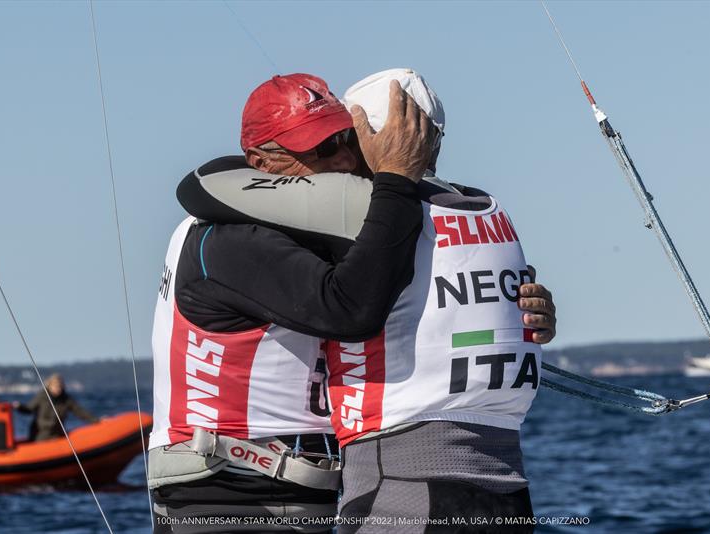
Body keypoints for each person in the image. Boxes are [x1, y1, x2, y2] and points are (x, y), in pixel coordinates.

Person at [177, 68, 556, 533]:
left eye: (346, 142)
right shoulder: (487, 210)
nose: (338, 162)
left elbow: (201, 184)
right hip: (506, 487)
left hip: (404, 482)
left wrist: (392, 178)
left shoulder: (359, 215)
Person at [149, 73, 438, 533]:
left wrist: (516, 305)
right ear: (260, 163)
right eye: (320, 151)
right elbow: (351, 310)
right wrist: (397, 181)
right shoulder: (226, 240)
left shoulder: (294, 233)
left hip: (294, 487)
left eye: (346, 139)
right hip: (225, 491)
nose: (344, 160)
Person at [13, 373, 97, 442]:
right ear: (50, 386)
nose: (58, 389)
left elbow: (80, 412)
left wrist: (95, 420)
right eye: (55, 386)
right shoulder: (42, 397)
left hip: (58, 435)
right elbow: (29, 409)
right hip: (41, 435)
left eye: (60, 386)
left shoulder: (66, 399)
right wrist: (19, 407)